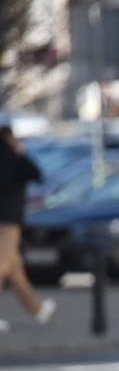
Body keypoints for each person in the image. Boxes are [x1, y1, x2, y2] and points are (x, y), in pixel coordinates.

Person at [0, 125, 54, 332]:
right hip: (9, 221)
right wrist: (20, 152)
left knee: (15, 269)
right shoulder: (14, 160)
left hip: (6, 220)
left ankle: (37, 309)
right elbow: (37, 173)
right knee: (3, 265)